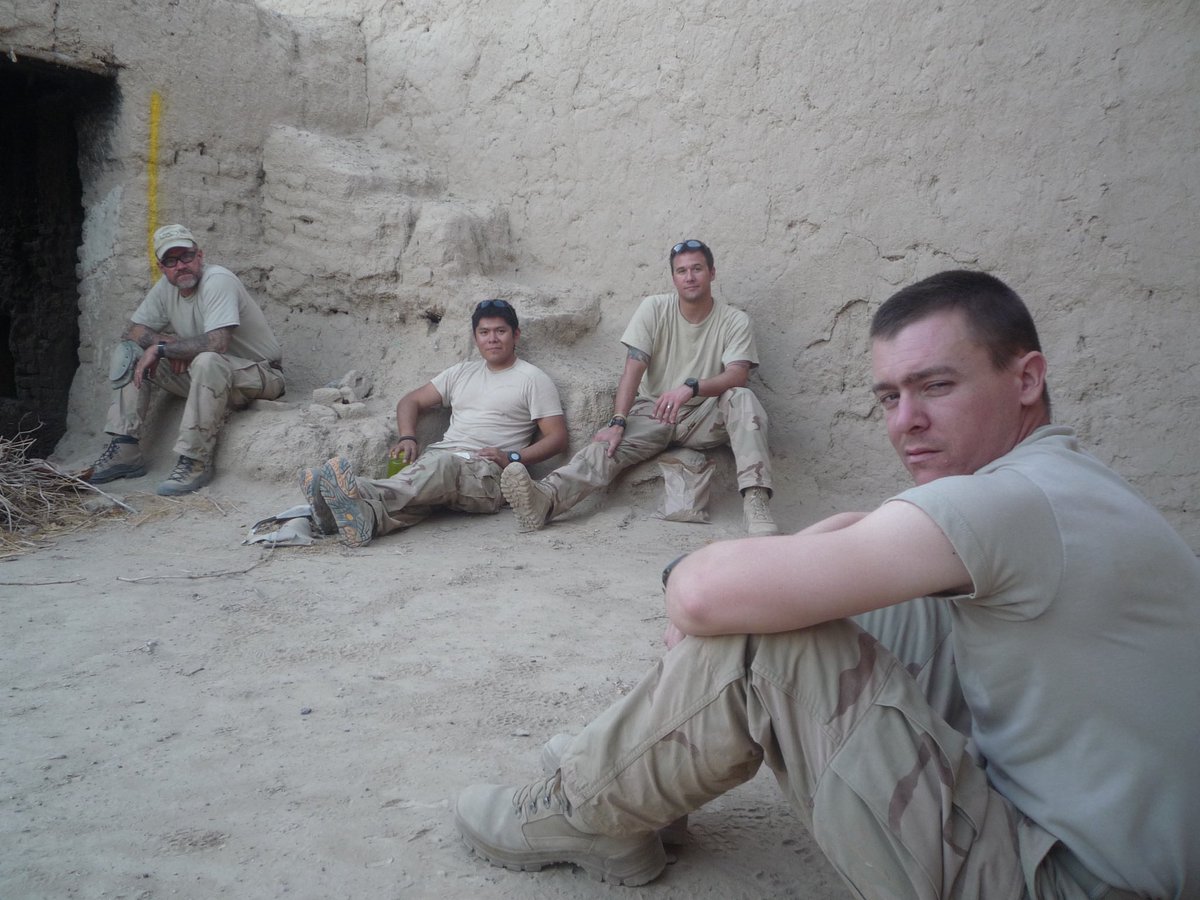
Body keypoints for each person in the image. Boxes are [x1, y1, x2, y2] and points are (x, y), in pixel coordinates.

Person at [454, 271, 1200, 897]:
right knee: (848, 602)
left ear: (1027, 378)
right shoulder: (1064, 486)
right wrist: (776, 570)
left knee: (764, 642)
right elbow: (866, 538)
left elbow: (705, 593)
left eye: (934, 386)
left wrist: (699, 594)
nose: (906, 422)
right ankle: (622, 777)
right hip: (1106, 849)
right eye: (887, 397)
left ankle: (583, 809)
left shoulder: (1007, 502)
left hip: (1067, 880)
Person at [501, 239, 778, 536]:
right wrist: (618, 421)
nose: (690, 277)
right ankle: (544, 500)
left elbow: (738, 374)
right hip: (655, 411)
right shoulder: (654, 308)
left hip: (705, 415)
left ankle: (756, 501)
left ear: (712, 272)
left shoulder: (734, 320)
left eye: (697, 268)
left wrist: (692, 387)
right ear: (673, 278)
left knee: (743, 398)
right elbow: (633, 368)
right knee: (607, 447)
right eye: (682, 271)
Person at [303, 299, 568, 548]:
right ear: (475, 338)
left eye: (501, 331)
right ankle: (359, 520)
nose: (492, 339)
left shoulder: (532, 379)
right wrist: (408, 436)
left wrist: (511, 457)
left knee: (439, 466)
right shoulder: (462, 372)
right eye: (484, 332)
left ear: (516, 335)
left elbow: (557, 438)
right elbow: (410, 401)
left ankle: (357, 491)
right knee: (421, 491)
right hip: (439, 464)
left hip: (487, 473)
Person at [86, 224, 285, 495]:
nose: (180, 266)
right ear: (161, 266)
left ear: (199, 256)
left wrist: (164, 350)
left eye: (186, 257)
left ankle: (195, 460)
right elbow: (132, 331)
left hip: (260, 376)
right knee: (129, 352)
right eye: (171, 260)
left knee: (206, 360)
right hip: (211, 377)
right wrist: (170, 345)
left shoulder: (218, 280)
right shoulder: (167, 288)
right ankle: (125, 449)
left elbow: (218, 342)